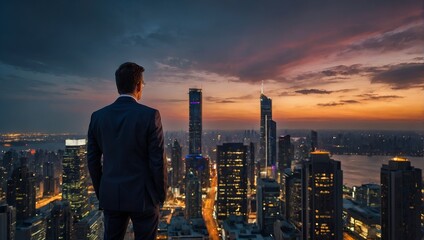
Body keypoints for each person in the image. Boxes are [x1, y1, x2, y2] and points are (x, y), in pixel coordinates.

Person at [87, 62, 167, 240]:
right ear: (138, 86)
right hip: (144, 196)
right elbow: (157, 161)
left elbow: (92, 161)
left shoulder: (97, 117)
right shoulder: (150, 115)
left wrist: (103, 192)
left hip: (111, 195)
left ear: (118, 86)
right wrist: (160, 195)